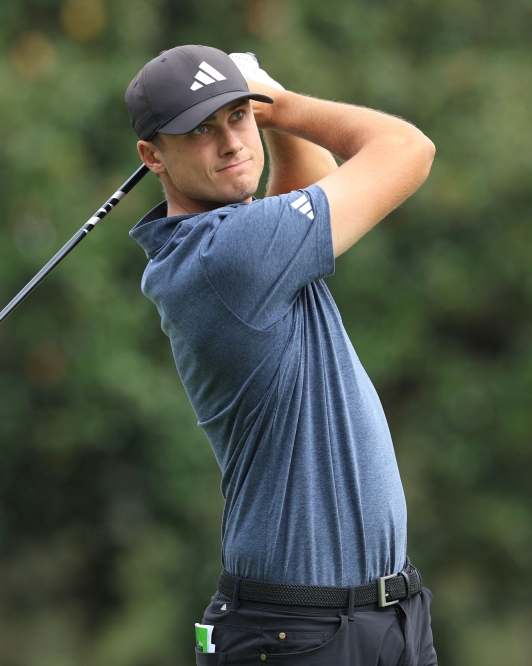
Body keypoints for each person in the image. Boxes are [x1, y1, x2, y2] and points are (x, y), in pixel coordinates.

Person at [125, 45, 436, 665]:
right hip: (298, 633)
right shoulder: (226, 257)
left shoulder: (239, 244)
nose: (231, 142)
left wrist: (265, 115)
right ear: (152, 156)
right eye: (201, 131)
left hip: (385, 617)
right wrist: (281, 103)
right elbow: (408, 150)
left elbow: (310, 186)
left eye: (238, 116)